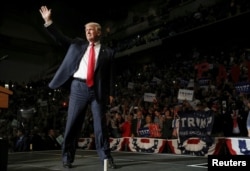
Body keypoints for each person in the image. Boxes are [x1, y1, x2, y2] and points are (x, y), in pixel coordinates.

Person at [39, 6, 116, 169]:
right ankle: (67, 158)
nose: (88, 32)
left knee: (100, 126)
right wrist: (48, 21)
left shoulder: (108, 52)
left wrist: (111, 93)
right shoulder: (77, 43)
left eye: (91, 29)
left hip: (98, 90)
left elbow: (109, 75)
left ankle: (106, 158)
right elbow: (60, 38)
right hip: (78, 88)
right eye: (86, 29)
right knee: (73, 124)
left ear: (99, 32)